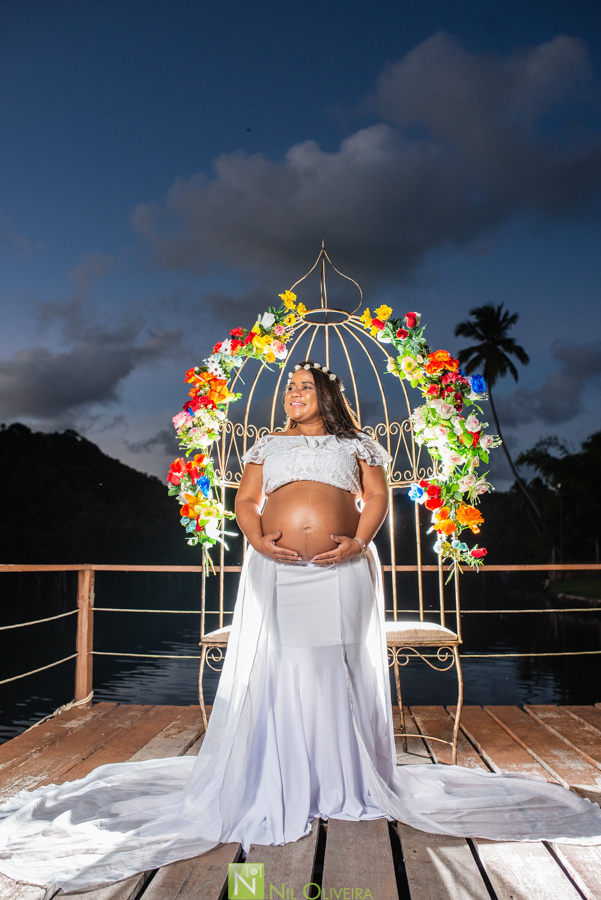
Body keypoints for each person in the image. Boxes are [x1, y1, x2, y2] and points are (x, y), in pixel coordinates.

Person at [0, 360, 600, 892]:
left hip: (342, 568)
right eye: (289, 386)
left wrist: (357, 542)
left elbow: (376, 497)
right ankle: (285, 775)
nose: (293, 393)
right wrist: (259, 539)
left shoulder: (358, 444)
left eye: (304, 387)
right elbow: (244, 501)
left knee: (329, 666)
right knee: (289, 666)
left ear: (328, 397)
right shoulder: (266, 445)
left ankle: (340, 778)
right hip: (280, 569)